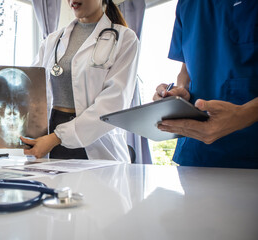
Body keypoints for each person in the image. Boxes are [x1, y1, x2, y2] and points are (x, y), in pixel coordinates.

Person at [16, 0, 139, 161]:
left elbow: (114, 103)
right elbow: (28, 86)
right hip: (48, 140)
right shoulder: (53, 40)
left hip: (94, 140)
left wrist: (57, 137)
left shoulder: (125, 38)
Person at [153, 0, 258, 168]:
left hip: (250, 150)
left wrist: (243, 114)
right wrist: (180, 92)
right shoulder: (186, 4)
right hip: (196, 154)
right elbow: (186, 69)